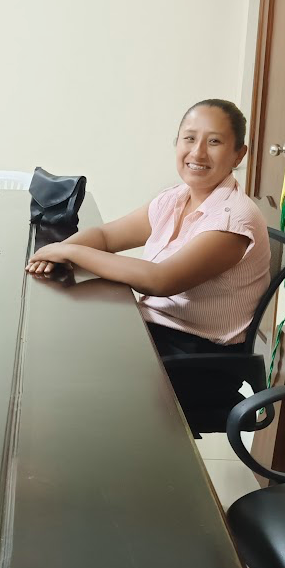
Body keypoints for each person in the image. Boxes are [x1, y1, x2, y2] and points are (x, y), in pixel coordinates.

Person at [26, 99, 270, 432]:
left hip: (197, 362)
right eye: (189, 138)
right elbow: (106, 236)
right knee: (61, 343)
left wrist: (69, 253)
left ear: (238, 155)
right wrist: (57, 252)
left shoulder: (233, 219)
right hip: (157, 335)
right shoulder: (176, 198)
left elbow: (160, 280)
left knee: (70, 375)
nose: (197, 152)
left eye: (214, 141)